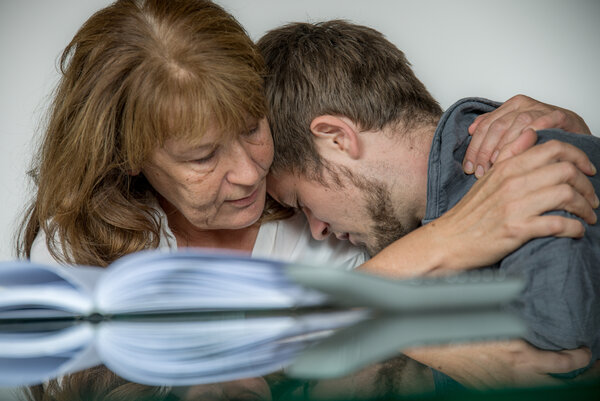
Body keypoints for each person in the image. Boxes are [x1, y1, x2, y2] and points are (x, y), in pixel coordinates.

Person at [15, 0, 597, 396]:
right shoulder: (75, 250)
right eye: (201, 157)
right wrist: (446, 284)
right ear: (129, 158)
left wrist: (553, 133)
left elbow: (405, 154)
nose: (249, 174)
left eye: (251, 128)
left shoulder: (324, 212)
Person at [257, 20, 600, 390]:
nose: (317, 230)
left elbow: (559, 364)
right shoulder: (422, 230)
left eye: (300, 201)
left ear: (337, 138)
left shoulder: (529, 169)